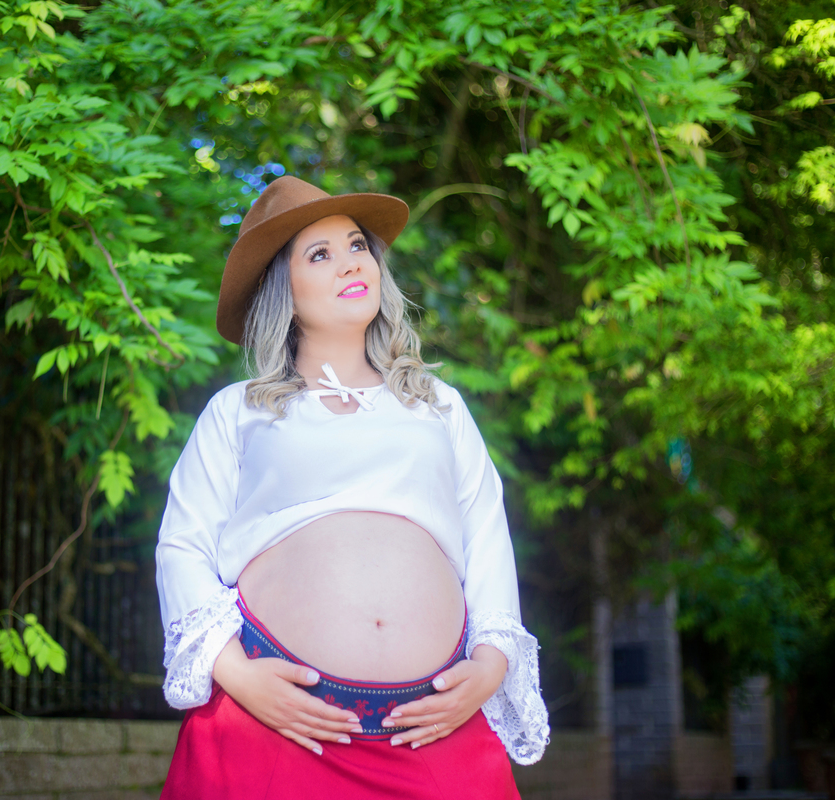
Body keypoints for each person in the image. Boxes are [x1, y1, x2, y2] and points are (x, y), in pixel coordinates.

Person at [155, 176, 549, 799]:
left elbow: (486, 537)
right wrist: (238, 674)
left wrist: (491, 666)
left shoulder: (437, 406)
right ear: (280, 290)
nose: (350, 263)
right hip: (280, 721)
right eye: (320, 254)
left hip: (429, 726)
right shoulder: (239, 412)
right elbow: (182, 547)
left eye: (356, 245)